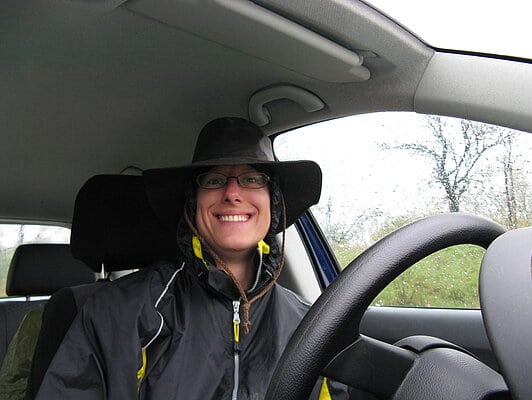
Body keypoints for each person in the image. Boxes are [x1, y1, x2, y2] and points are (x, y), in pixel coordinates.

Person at [34, 117, 349, 399]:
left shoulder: (310, 325)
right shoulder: (115, 312)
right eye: (213, 180)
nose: (232, 192)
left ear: (274, 202)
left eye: (252, 179)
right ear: (192, 204)